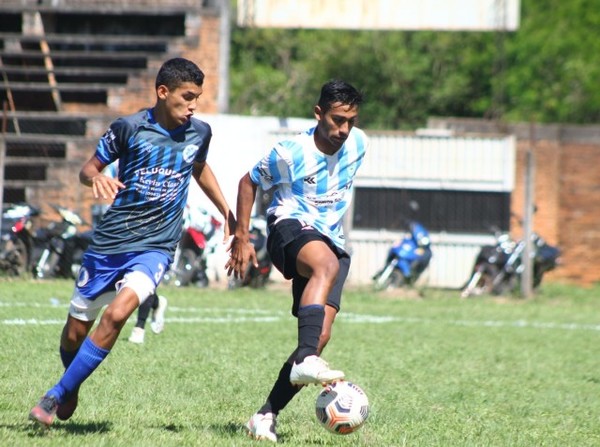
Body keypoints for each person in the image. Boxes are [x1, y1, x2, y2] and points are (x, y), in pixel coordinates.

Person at [29, 57, 235, 429]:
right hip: (109, 244)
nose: (193, 105)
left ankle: (55, 394)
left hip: (155, 247)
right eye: (187, 97)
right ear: (162, 92)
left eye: (197, 98)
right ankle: (71, 383)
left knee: (119, 314)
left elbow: (199, 168)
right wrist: (97, 180)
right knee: (76, 331)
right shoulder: (129, 128)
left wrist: (227, 210)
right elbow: (87, 169)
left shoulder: (199, 133)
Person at [225, 79, 367, 442]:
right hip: (288, 228)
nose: (344, 129)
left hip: (330, 240)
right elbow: (248, 181)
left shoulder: (359, 144)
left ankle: (265, 415)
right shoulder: (290, 153)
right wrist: (241, 237)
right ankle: (304, 360)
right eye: (337, 120)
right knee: (326, 267)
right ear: (318, 113)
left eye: (350, 120)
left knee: (319, 336)